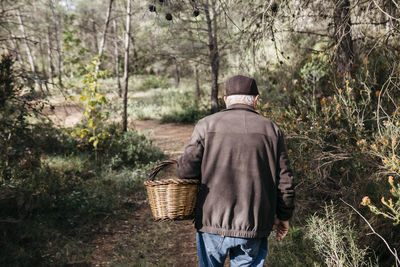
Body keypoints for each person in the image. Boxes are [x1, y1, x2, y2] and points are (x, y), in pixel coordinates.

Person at [176, 75, 295, 267]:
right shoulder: (272, 130)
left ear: (225, 99)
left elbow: (185, 172)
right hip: (254, 225)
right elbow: (285, 181)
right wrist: (284, 216)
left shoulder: (206, 125)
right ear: (256, 99)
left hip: (212, 223)